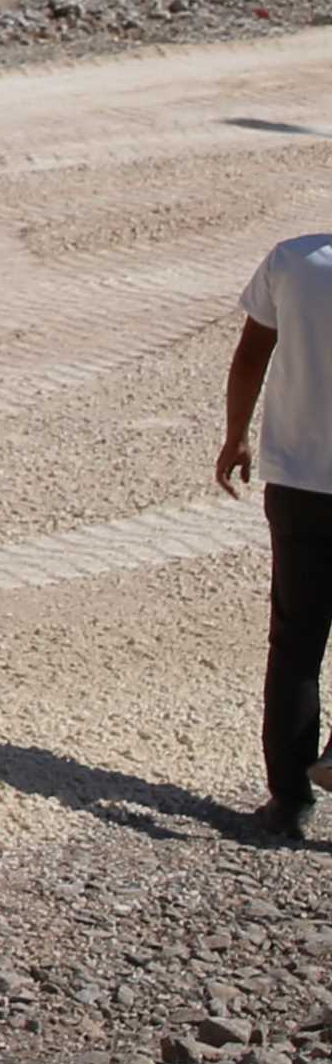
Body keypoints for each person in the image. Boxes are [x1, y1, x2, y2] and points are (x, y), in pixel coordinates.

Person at [209, 224, 332, 842]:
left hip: (299, 482)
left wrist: (236, 435)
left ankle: (288, 802)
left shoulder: (293, 260)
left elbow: (251, 353)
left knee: (295, 644)